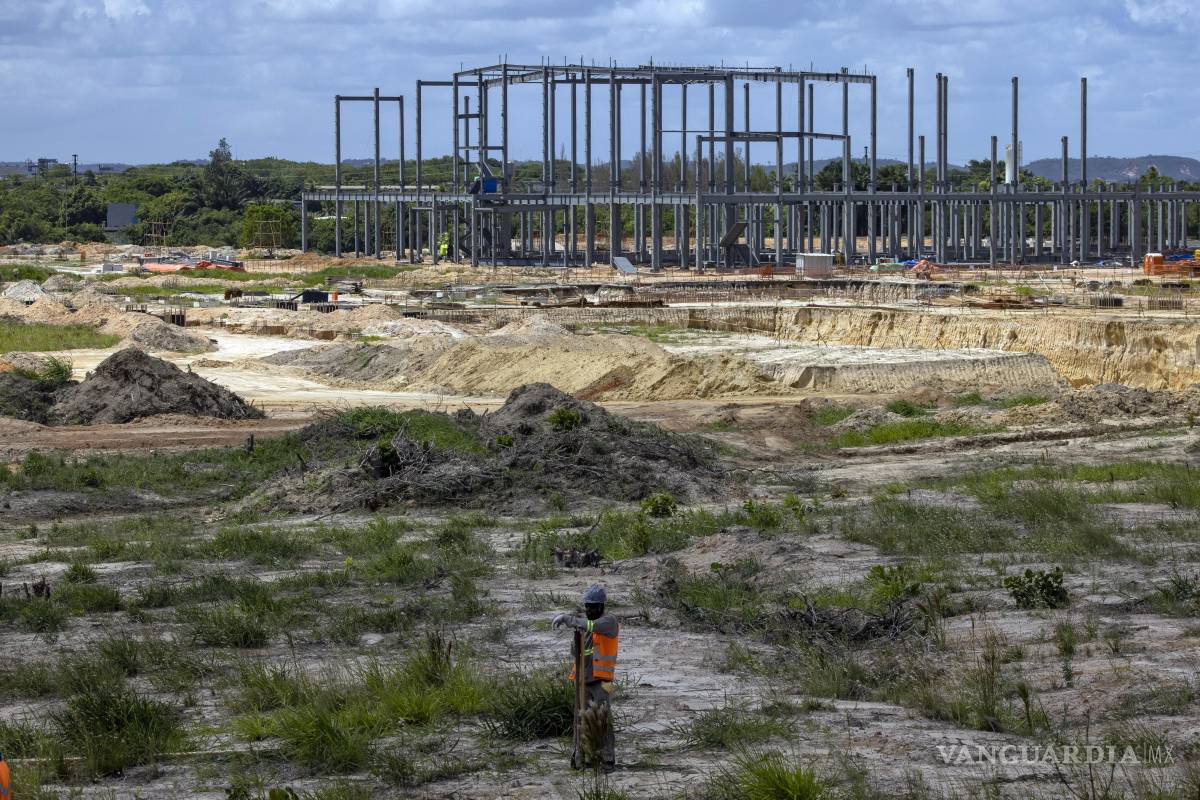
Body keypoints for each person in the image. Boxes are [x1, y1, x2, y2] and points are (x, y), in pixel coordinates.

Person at [553, 584, 619, 771]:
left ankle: (607, 760)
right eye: (587, 606)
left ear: (601, 606)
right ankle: (583, 756)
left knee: (603, 719)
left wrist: (569, 619)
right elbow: (578, 652)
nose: (589, 610)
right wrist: (576, 638)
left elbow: (590, 624)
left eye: (593, 606)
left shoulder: (609, 622)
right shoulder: (586, 626)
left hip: (604, 682)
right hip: (584, 679)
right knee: (581, 720)